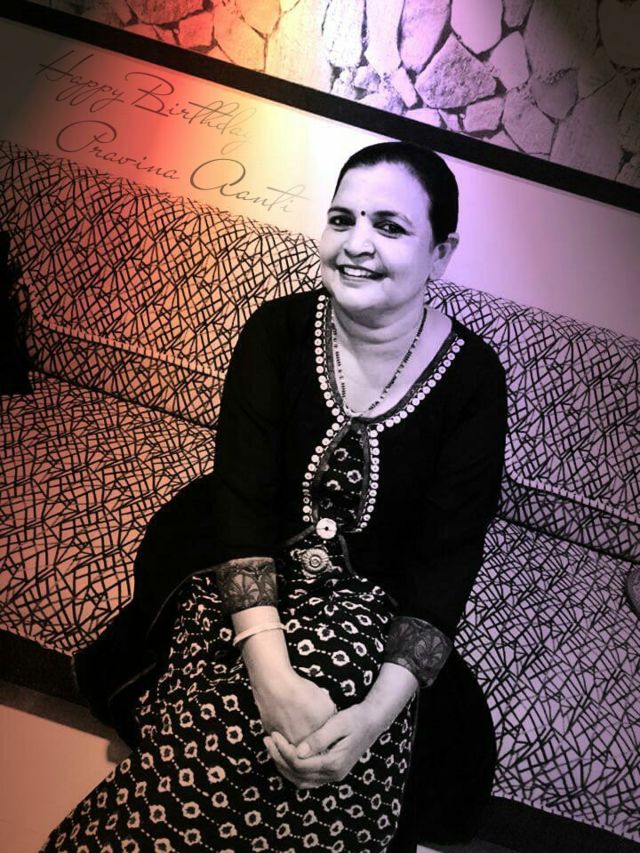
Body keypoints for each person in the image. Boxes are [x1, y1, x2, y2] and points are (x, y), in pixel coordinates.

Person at [42, 141, 508, 852]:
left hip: (376, 606)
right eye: (342, 219)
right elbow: (242, 506)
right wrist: (271, 679)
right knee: (240, 707)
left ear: (440, 253)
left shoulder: (474, 378)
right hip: (239, 566)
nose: (356, 244)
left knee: (337, 700)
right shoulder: (277, 330)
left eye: (389, 226)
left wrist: (369, 723)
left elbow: (447, 563)